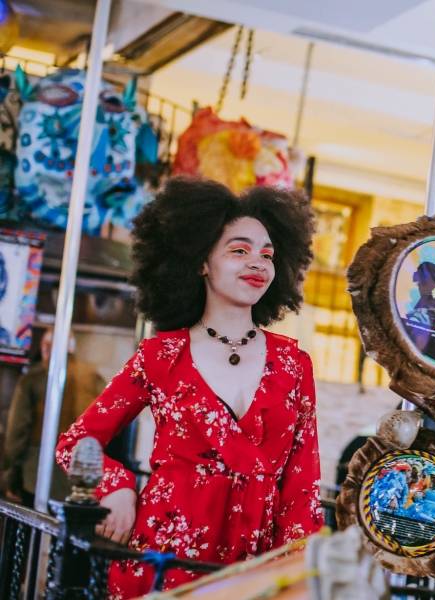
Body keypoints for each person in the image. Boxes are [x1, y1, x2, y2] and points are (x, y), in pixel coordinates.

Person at [54, 177, 320, 597]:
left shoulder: (294, 365)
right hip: (162, 559)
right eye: (239, 250)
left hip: (256, 565)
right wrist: (118, 487)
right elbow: (75, 442)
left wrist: (300, 570)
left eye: (267, 254)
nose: (258, 263)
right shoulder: (160, 356)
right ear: (200, 262)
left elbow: (302, 487)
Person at [4, 329, 105, 507]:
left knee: (31, 532)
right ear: (72, 347)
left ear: (46, 348)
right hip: (80, 478)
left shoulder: (33, 379)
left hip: (35, 476)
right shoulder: (94, 379)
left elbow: (17, 432)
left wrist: (10, 477)